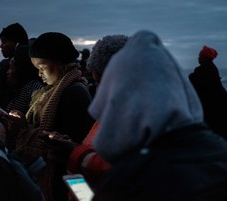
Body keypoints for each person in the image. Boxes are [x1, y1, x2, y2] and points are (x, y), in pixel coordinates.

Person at [87, 30, 227, 201]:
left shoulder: (130, 179)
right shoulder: (219, 150)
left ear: (121, 90)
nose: (98, 92)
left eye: (102, 83)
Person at [8, 32, 92, 201]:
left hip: (69, 180)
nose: (39, 74)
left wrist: (25, 130)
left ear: (59, 62)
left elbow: (67, 144)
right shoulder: (49, 92)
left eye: (42, 67)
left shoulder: (74, 92)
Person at [39, 35, 129, 190]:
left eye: (102, 81)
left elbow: (119, 174)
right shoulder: (106, 118)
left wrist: (73, 153)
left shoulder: (141, 125)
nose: (99, 90)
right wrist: (70, 149)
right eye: (96, 81)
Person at [189, 45, 227, 140]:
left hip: (212, 107)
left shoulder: (202, 70)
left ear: (205, 58)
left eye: (200, 56)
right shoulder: (213, 69)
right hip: (220, 104)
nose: (198, 58)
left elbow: (192, 80)